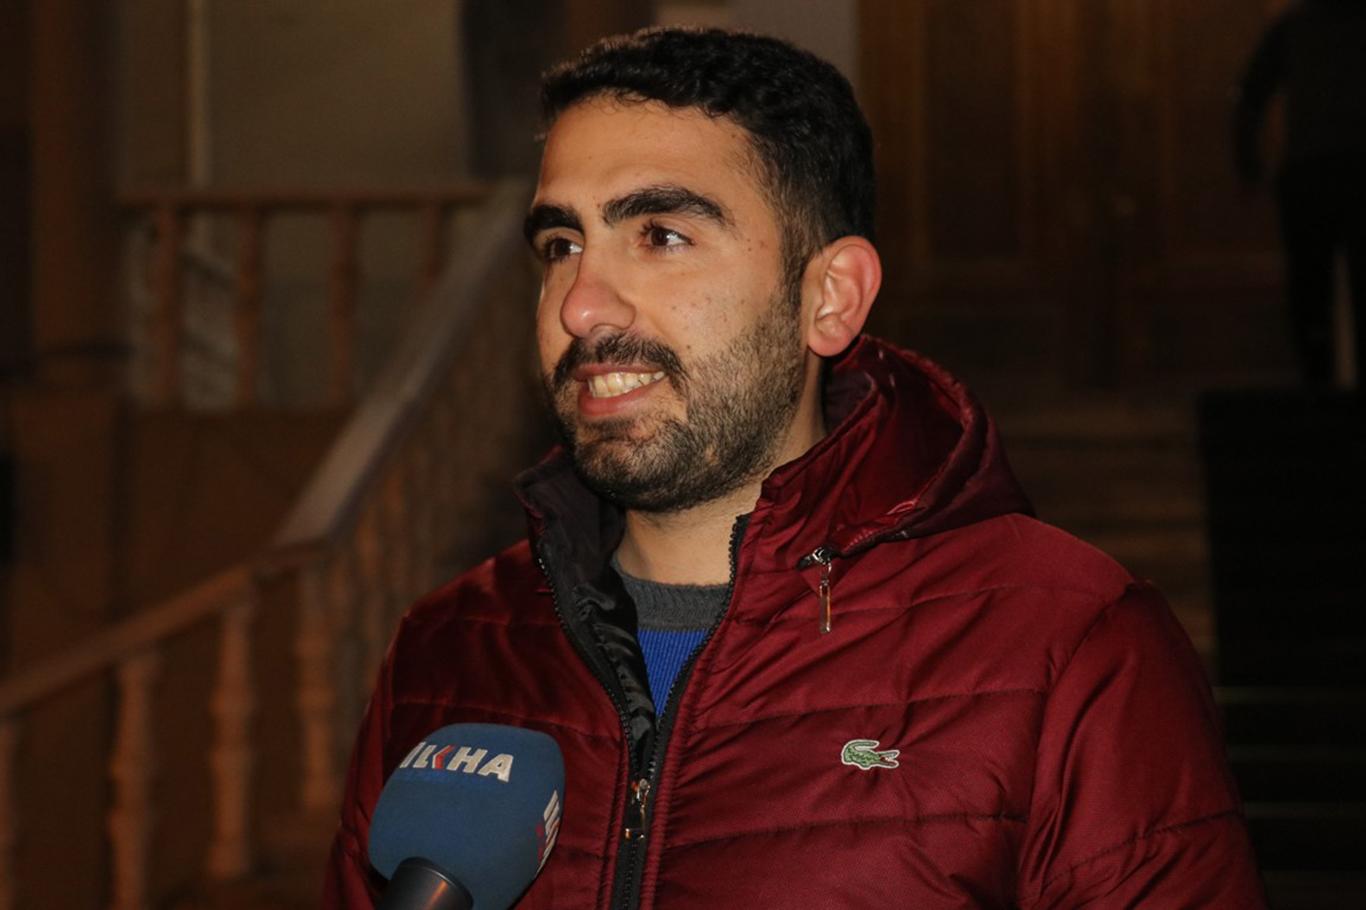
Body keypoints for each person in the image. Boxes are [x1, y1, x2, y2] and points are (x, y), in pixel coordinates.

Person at [327, 28, 1265, 908]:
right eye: (561, 245)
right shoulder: (446, 650)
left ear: (831, 298)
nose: (580, 305)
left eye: (661, 235)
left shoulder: (1070, 647)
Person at [1234, 0, 1366, 386]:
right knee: (1315, 289)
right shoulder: (1294, 29)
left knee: (1310, 290)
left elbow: (1250, 97)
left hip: (1312, 171)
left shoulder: (1294, 28)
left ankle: (1318, 385)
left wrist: (1248, 165)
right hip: (1334, 170)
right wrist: (1248, 163)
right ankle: (1322, 387)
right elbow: (1250, 96)